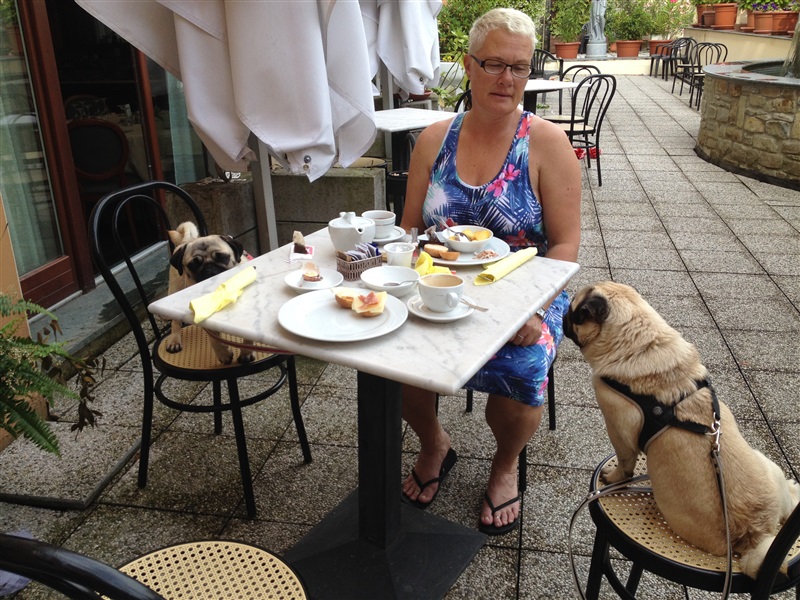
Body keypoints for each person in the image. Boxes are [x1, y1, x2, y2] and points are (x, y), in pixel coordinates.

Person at [398, 7, 581, 535]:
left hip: (527, 291)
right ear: (468, 65)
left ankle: (504, 465)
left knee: (524, 363)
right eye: (494, 64)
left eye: (519, 67)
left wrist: (535, 308)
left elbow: (565, 243)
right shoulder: (433, 140)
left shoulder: (546, 144)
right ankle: (434, 443)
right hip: (440, 286)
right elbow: (410, 230)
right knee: (390, 355)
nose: (507, 78)